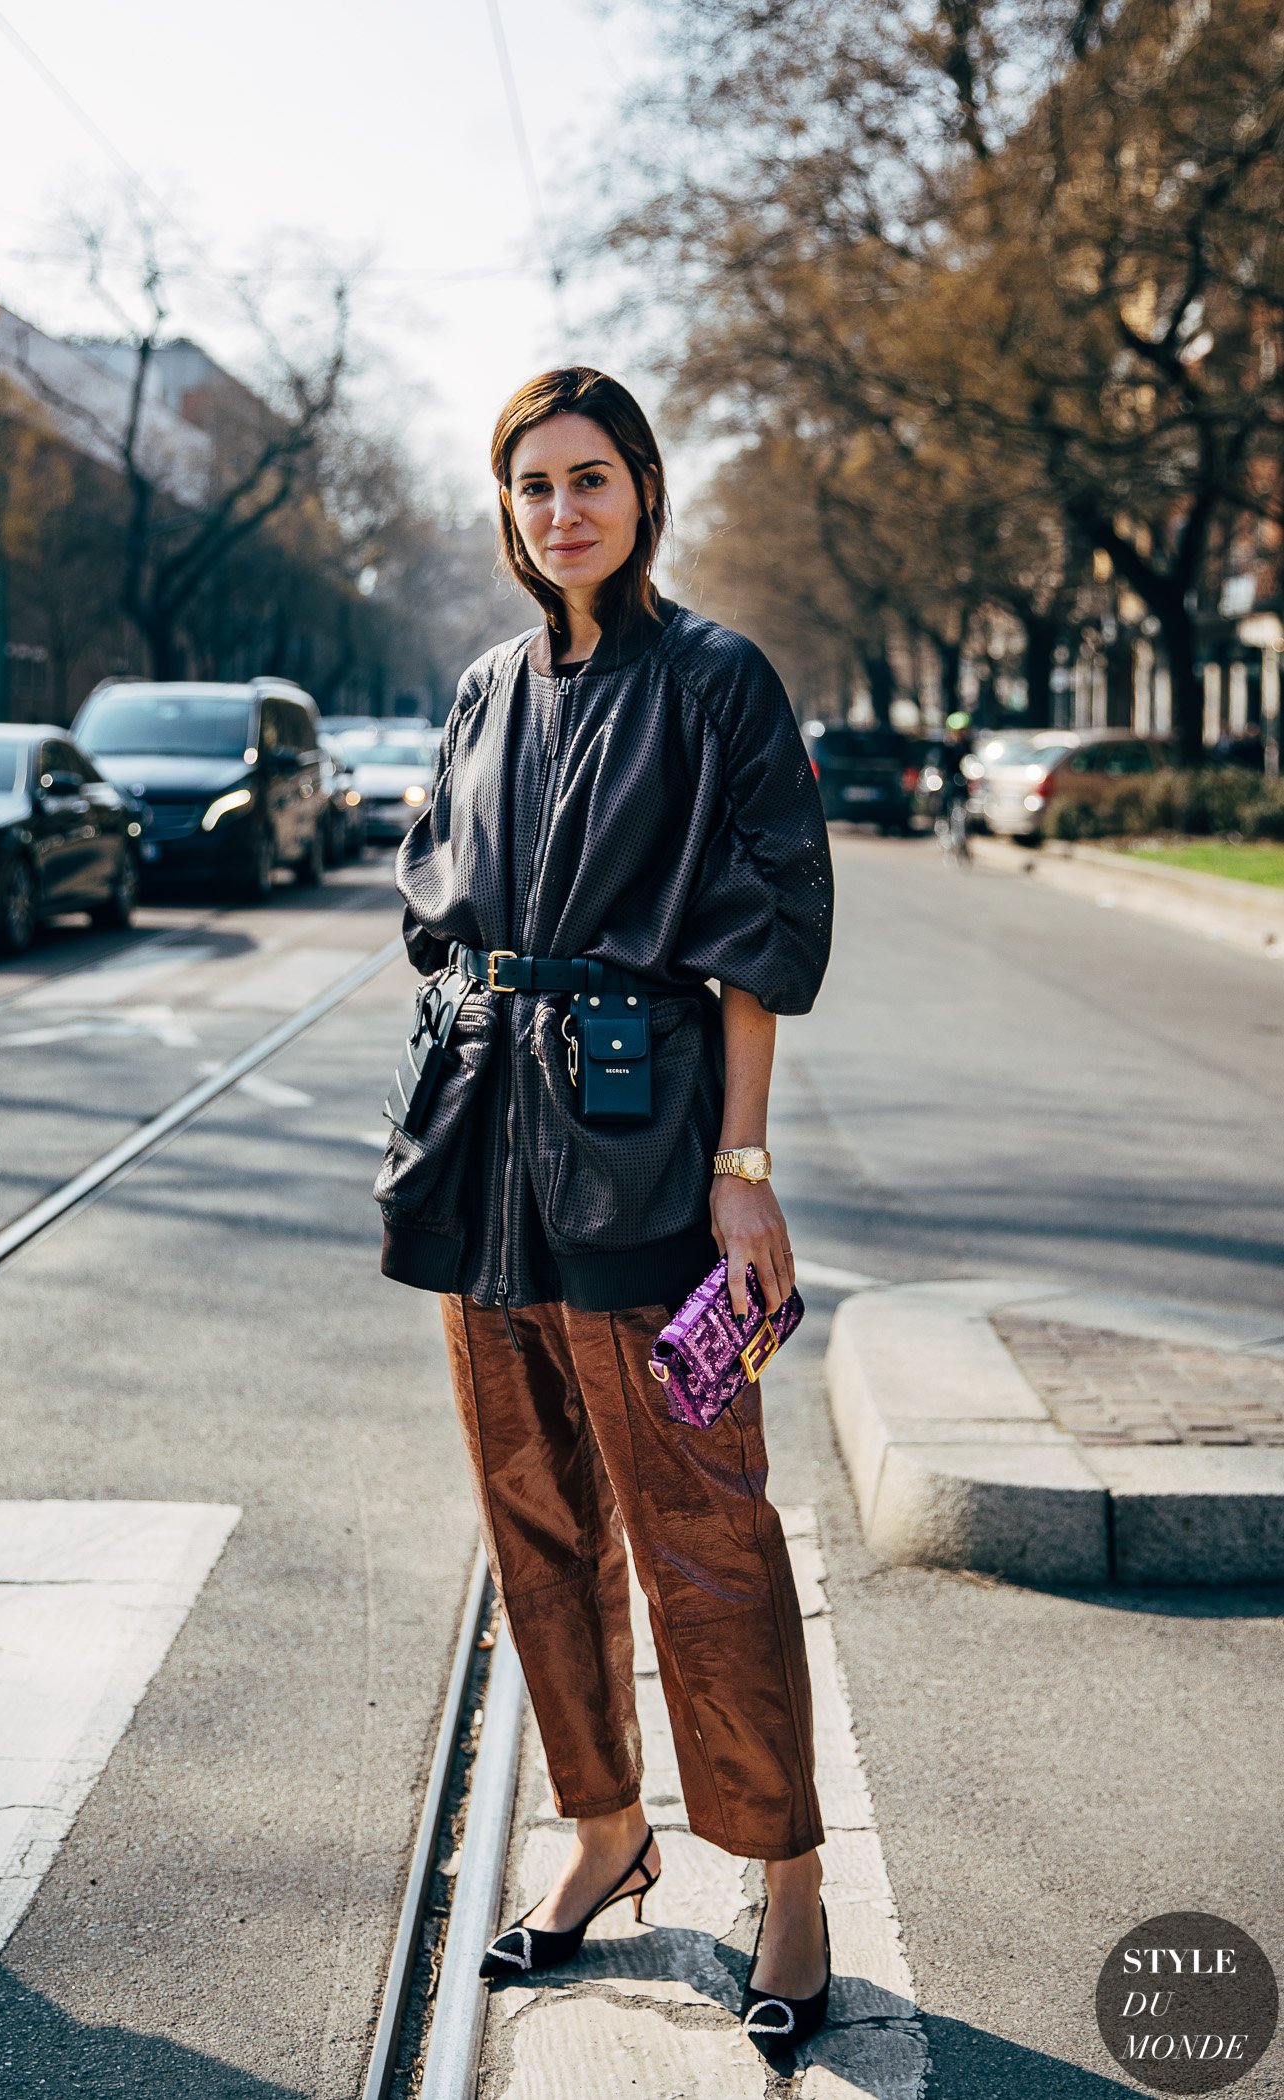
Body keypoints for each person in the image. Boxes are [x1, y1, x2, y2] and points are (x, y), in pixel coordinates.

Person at [374, 367, 836, 2060]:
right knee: (534, 1516)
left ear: (644, 487)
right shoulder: (487, 687)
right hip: (486, 1162)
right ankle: (602, 1832)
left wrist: (745, 1169)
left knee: (706, 1526)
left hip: (651, 1164)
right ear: (508, 515)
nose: (560, 511)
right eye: (530, 488)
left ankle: (785, 1872)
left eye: (589, 478)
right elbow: (434, 893)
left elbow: (767, 927)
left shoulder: (715, 680)